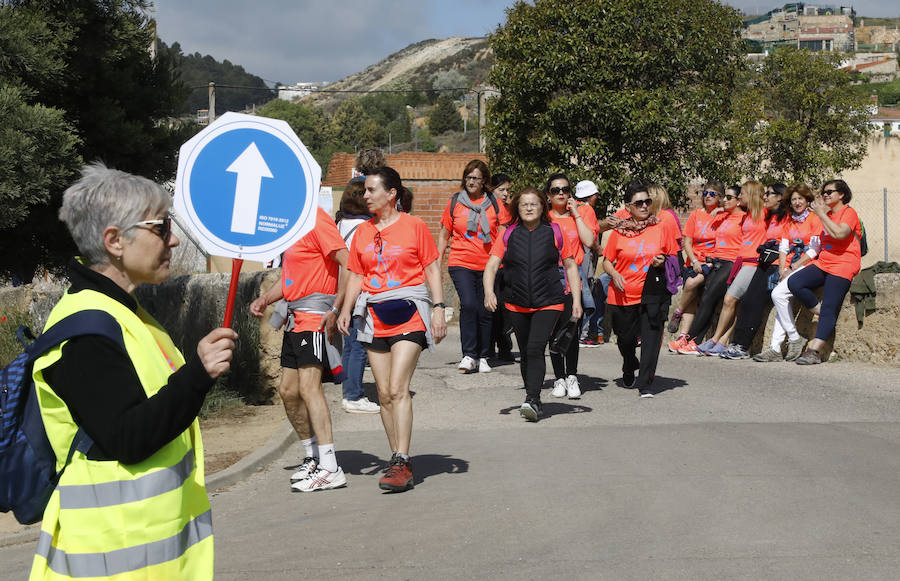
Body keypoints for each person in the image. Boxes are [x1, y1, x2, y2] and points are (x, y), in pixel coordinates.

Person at [30, 163, 236, 579]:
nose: (174, 239)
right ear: (115, 241)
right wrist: (197, 375)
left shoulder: (124, 312)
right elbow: (128, 437)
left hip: (140, 552)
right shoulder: (85, 329)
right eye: (161, 228)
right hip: (111, 557)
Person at [337, 166, 447, 492]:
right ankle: (398, 458)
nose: (366, 196)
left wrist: (438, 309)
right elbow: (356, 274)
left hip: (410, 311)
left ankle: (401, 458)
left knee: (399, 387)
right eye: (365, 191)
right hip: (373, 314)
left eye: (372, 190)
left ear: (391, 194)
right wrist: (345, 311)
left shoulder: (414, 226)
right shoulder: (362, 232)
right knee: (384, 393)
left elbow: (431, 267)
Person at [250, 206, 349, 492]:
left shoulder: (317, 218)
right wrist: (266, 299)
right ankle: (314, 456)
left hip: (313, 317)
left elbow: (348, 262)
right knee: (288, 391)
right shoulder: (292, 223)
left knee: (309, 388)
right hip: (295, 318)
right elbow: (293, 277)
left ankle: (331, 467)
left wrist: (336, 307)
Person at [483, 187, 582, 421]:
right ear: (517, 208)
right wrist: (489, 292)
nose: (529, 208)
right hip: (516, 302)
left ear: (542, 207)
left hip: (550, 301)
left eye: (534, 204)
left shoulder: (554, 231)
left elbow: (570, 266)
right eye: (524, 204)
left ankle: (533, 399)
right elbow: (491, 265)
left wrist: (576, 300)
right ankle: (532, 394)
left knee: (536, 348)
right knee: (526, 353)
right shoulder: (508, 234)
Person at [603, 180, 680, 398]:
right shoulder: (618, 231)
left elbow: (673, 255)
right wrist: (615, 274)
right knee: (625, 339)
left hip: (653, 293)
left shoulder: (661, 227)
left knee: (652, 338)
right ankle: (629, 363)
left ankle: (645, 382)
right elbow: (607, 260)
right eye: (639, 203)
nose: (645, 206)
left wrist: (662, 261)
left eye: (648, 201)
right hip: (623, 293)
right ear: (628, 207)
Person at [437, 160, 511, 374]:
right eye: (468, 177)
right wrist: (437, 263)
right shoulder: (455, 202)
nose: (471, 181)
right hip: (461, 262)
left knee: (486, 308)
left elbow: (504, 232)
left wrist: (497, 259)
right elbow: (444, 235)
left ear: (484, 181)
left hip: (489, 264)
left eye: (476, 178)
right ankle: (469, 354)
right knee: (469, 305)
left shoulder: (494, 203)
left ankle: (484, 355)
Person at [787, 179, 862, 365]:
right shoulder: (826, 214)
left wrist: (821, 213)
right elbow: (820, 243)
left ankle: (814, 350)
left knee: (830, 304)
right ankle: (821, 312)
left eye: (830, 192)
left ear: (841, 194)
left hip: (844, 262)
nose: (825, 195)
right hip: (825, 261)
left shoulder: (849, 212)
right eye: (824, 192)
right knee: (794, 282)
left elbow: (840, 234)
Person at [695, 181, 772, 356]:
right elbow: (735, 213)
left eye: (742, 193)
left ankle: (716, 339)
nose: (739, 197)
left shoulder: (766, 214)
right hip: (741, 261)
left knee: (730, 299)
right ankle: (721, 340)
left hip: (753, 263)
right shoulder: (747, 215)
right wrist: (721, 210)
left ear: (751, 194)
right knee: (735, 302)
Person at [718, 183, 790, 359]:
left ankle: (742, 345)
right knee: (748, 299)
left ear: (780, 197)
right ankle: (736, 343)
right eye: (764, 194)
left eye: (769, 194)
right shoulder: (772, 217)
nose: (765, 197)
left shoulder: (787, 217)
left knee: (755, 300)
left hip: (779, 265)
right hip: (764, 262)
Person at [754, 184, 823, 362]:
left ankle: (794, 338)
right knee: (782, 299)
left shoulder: (814, 219)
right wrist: (782, 269)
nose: (797, 202)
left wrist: (791, 268)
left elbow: (814, 249)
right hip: (790, 266)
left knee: (778, 294)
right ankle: (776, 348)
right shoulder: (789, 221)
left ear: (807, 200)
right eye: (794, 199)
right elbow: (783, 248)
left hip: (808, 264)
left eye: (800, 198)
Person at [676, 184, 745, 354]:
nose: (725, 200)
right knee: (706, 296)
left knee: (709, 297)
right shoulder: (723, 216)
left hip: (730, 262)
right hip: (714, 261)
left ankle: (692, 340)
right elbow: (688, 240)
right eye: (705, 193)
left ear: (738, 200)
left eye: (728, 197)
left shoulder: (744, 218)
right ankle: (690, 339)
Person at [546, 173, 595, 398]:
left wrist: (575, 212)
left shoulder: (579, 214)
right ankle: (559, 378)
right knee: (553, 331)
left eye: (565, 189)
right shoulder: (544, 218)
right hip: (548, 279)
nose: (561, 194)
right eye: (556, 190)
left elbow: (588, 241)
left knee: (572, 330)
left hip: (572, 277)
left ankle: (572, 375)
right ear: (548, 195)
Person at [334, 177, 380, 413]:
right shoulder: (366, 227)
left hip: (340, 290)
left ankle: (348, 390)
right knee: (359, 344)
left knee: (349, 345)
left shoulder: (339, 223)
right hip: (358, 289)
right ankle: (353, 395)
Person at [667, 182, 722, 351]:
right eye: (705, 192)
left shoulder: (723, 216)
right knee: (692, 297)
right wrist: (694, 260)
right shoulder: (696, 215)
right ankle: (683, 336)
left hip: (712, 262)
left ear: (720, 197)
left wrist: (722, 212)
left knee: (691, 284)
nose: (707, 196)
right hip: (694, 261)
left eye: (712, 194)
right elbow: (687, 242)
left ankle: (678, 312)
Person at [487, 172, 516, 361]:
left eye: (508, 190)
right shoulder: (486, 209)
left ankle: (505, 346)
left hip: (509, 265)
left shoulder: (511, 209)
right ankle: (488, 348)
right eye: (501, 190)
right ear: (491, 190)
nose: (505, 194)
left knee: (506, 309)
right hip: (490, 264)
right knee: (491, 308)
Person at [573, 180, 604, 346]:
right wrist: (600, 250)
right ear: (590, 196)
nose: (597, 197)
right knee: (587, 290)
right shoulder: (587, 209)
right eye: (595, 194)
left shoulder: (571, 207)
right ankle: (583, 334)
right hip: (584, 253)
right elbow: (591, 238)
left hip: (570, 253)